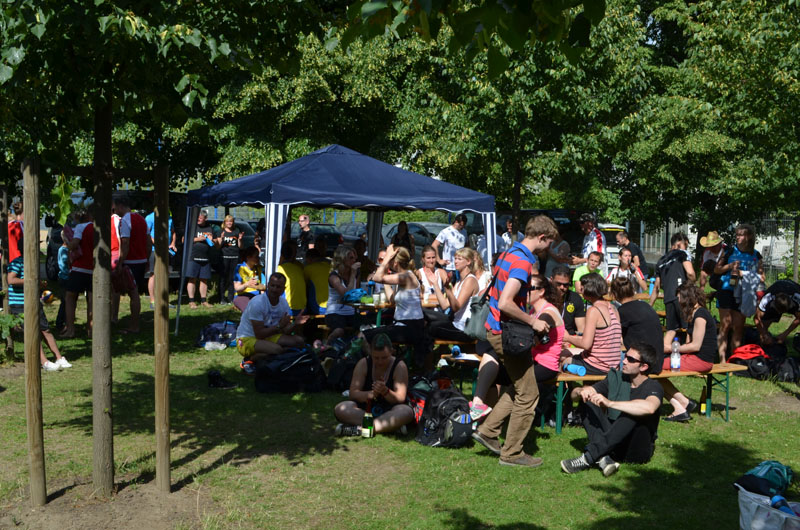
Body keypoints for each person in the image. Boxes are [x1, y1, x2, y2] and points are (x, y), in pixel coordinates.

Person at [471, 215, 558, 468]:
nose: (548, 249)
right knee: (529, 394)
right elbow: (506, 302)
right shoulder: (521, 262)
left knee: (520, 386)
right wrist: (533, 322)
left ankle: (488, 432)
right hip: (506, 333)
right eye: (549, 243)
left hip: (496, 329)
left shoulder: (510, 253)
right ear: (541, 238)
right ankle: (512, 453)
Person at [560, 342, 663, 476]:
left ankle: (589, 457)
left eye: (630, 359)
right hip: (614, 444)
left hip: (637, 449)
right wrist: (581, 391)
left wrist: (610, 403)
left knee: (631, 412)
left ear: (643, 367)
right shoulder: (617, 378)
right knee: (587, 402)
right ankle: (604, 458)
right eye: (625, 356)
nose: (624, 361)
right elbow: (574, 396)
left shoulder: (653, 386)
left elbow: (649, 407)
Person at [333, 333, 414, 436]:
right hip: (365, 411)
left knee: (406, 412)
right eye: (376, 358)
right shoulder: (363, 363)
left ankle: (360, 430)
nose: (380, 362)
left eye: (384, 358)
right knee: (340, 408)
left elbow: (400, 398)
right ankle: (389, 428)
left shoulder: (399, 366)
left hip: (389, 410)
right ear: (371, 353)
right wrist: (372, 394)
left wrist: (386, 392)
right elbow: (353, 394)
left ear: (391, 352)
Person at [659, 283, 717, 422]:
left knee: (654, 366)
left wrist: (671, 348)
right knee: (655, 365)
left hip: (701, 360)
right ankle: (682, 404)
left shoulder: (700, 315)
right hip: (694, 358)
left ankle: (682, 403)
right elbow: (689, 344)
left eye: (680, 298)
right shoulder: (695, 314)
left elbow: (695, 346)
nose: (678, 302)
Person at [362, 246, 426, 369]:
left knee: (364, 336)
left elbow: (376, 278)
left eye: (390, 260)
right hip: (405, 326)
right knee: (369, 334)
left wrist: (386, 260)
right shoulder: (402, 276)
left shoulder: (406, 277)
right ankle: (380, 366)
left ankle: (375, 367)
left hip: (408, 327)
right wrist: (386, 274)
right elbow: (392, 300)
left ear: (395, 262)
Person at [7, 255, 71, 371]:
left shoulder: (33, 261)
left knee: (45, 329)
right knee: (32, 331)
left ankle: (59, 357)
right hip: (20, 304)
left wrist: (40, 285)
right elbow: (11, 279)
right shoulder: (17, 262)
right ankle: (44, 362)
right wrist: (31, 281)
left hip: (34, 301)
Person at [715, 224, 763, 362]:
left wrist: (743, 273)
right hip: (726, 289)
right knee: (725, 325)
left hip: (744, 293)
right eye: (737, 234)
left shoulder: (755, 255)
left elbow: (762, 277)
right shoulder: (729, 251)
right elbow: (717, 270)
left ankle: (734, 360)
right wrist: (729, 267)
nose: (737, 237)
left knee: (738, 327)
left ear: (748, 237)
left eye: (740, 235)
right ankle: (722, 360)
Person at [235, 272, 308, 362]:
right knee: (277, 350)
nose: (274, 289)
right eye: (272, 285)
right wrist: (279, 326)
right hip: (246, 339)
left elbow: (285, 331)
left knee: (299, 341)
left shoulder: (283, 303)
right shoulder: (257, 303)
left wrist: (295, 323)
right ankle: (249, 360)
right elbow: (259, 334)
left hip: (268, 336)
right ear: (268, 285)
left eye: (278, 287)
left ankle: (272, 355)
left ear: (283, 289)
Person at [563, 273, 623, 375]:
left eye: (582, 288)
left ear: (588, 289)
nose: (580, 291)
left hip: (597, 365)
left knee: (562, 358)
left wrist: (567, 337)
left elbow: (586, 344)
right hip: (613, 365)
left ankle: (565, 390)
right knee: (571, 353)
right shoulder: (613, 308)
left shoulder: (594, 311)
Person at [650, 232, 695, 347]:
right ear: (680, 244)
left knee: (671, 329)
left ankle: (663, 353)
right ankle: (688, 357)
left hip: (668, 298)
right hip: (682, 296)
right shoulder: (682, 254)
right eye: (686, 245)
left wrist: (650, 306)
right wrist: (691, 285)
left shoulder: (661, 261)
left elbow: (656, 287)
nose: (687, 248)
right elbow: (690, 273)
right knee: (689, 327)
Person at [111, 197, 148, 333]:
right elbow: (148, 242)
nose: (114, 211)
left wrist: (120, 262)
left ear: (121, 206)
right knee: (134, 292)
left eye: (115, 208)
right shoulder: (141, 219)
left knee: (133, 293)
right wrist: (146, 257)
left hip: (131, 262)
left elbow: (125, 243)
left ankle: (134, 326)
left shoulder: (125, 221)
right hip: (142, 260)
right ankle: (134, 323)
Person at [428, 248, 481, 342]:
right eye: (455, 258)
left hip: (463, 328)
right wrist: (436, 284)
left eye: (459, 259)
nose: (456, 261)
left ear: (468, 261)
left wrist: (448, 290)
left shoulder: (470, 280)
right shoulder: (459, 281)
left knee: (431, 328)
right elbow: (444, 305)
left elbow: (457, 307)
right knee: (424, 314)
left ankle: (427, 356)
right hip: (455, 323)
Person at [610, 277, 663, 358]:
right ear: (632, 290)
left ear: (614, 295)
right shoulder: (645, 305)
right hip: (658, 358)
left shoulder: (623, 311)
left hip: (643, 362)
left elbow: (614, 338)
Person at [61, 209, 94, 339]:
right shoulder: (97, 228)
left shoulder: (81, 227)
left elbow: (75, 244)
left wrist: (66, 244)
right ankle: (91, 329)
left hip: (80, 267)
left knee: (70, 297)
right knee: (91, 300)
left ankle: (70, 329)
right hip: (93, 267)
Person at [325, 245, 361, 344]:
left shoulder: (356, 273)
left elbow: (356, 293)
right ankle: (326, 346)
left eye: (354, 257)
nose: (354, 260)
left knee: (366, 327)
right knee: (339, 330)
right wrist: (353, 274)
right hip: (335, 312)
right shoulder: (334, 276)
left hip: (351, 312)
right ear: (342, 259)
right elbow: (347, 295)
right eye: (350, 258)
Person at [186, 210, 219, 308]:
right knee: (192, 278)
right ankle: (191, 301)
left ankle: (204, 301)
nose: (198, 220)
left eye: (200, 218)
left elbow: (215, 242)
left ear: (205, 218)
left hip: (206, 257)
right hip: (193, 256)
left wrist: (212, 239)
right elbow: (184, 240)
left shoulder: (210, 227)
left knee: (204, 280)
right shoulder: (192, 227)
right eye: (197, 218)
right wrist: (198, 239)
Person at [145, 209, 177, 309]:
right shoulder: (150, 217)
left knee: (165, 274)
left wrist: (172, 244)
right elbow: (147, 234)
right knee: (153, 274)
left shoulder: (169, 217)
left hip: (166, 250)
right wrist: (158, 244)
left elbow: (173, 232)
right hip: (155, 250)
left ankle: (164, 300)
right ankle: (153, 301)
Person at [755, 279, 800, 345]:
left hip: (793, 290)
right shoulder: (767, 298)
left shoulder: (797, 298)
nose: (780, 313)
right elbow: (757, 318)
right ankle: (764, 345)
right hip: (776, 290)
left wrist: (785, 334)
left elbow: (799, 318)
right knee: (764, 324)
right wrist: (764, 334)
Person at [550, 265, 586, 336]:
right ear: (551, 280)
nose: (562, 287)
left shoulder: (575, 298)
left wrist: (571, 340)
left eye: (566, 285)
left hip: (568, 338)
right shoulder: (543, 296)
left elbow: (581, 329)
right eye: (558, 284)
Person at [216, 214, 243, 304]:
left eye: (231, 221)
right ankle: (222, 298)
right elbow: (218, 246)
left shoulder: (236, 231)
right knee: (223, 278)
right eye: (227, 221)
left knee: (232, 278)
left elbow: (240, 247)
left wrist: (239, 239)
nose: (229, 223)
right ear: (225, 222)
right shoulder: (221, 231)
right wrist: (222, 239)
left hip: (235, 257)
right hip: (224, 257)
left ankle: (231, 298)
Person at [432, 213, 468, 280]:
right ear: (456, 222)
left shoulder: (464, 232)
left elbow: (467, 247)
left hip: (461, 267)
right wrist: (439, 260)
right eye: (461, 225)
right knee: (448, 287)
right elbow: (434, 245)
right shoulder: (446, 231)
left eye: (464, 225)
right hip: (449, 267)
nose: (462, 227)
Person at [571, 213, 607, 277]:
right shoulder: (586, 236)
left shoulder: (598, 236)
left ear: (590, 223)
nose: (580, 225)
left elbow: (599, 256)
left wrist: (579, 261)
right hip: (586, 272)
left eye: (582, 222)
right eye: (580, 222)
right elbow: (585, 254)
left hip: (596, 274)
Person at [232, 246, 265, 311]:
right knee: (250, 311)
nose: (258, 258)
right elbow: (237, 288)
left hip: (257, 296)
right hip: (242, 295)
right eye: (256, 256)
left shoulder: (259, 268)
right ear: (248, 257)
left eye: (258, 256)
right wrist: (247, 284)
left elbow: (263, 286)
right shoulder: (240, 268)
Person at [276, 244, 306, 316]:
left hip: (289, 309)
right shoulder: (299, 268)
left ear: (281, 256)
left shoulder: (279, 269)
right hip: (303, 308)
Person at [303, 248, 331, 314]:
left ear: (309, 259)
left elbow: (304, 285)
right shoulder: (330, 266)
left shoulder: (308, 268)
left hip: (320, 307)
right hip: (334, 306)